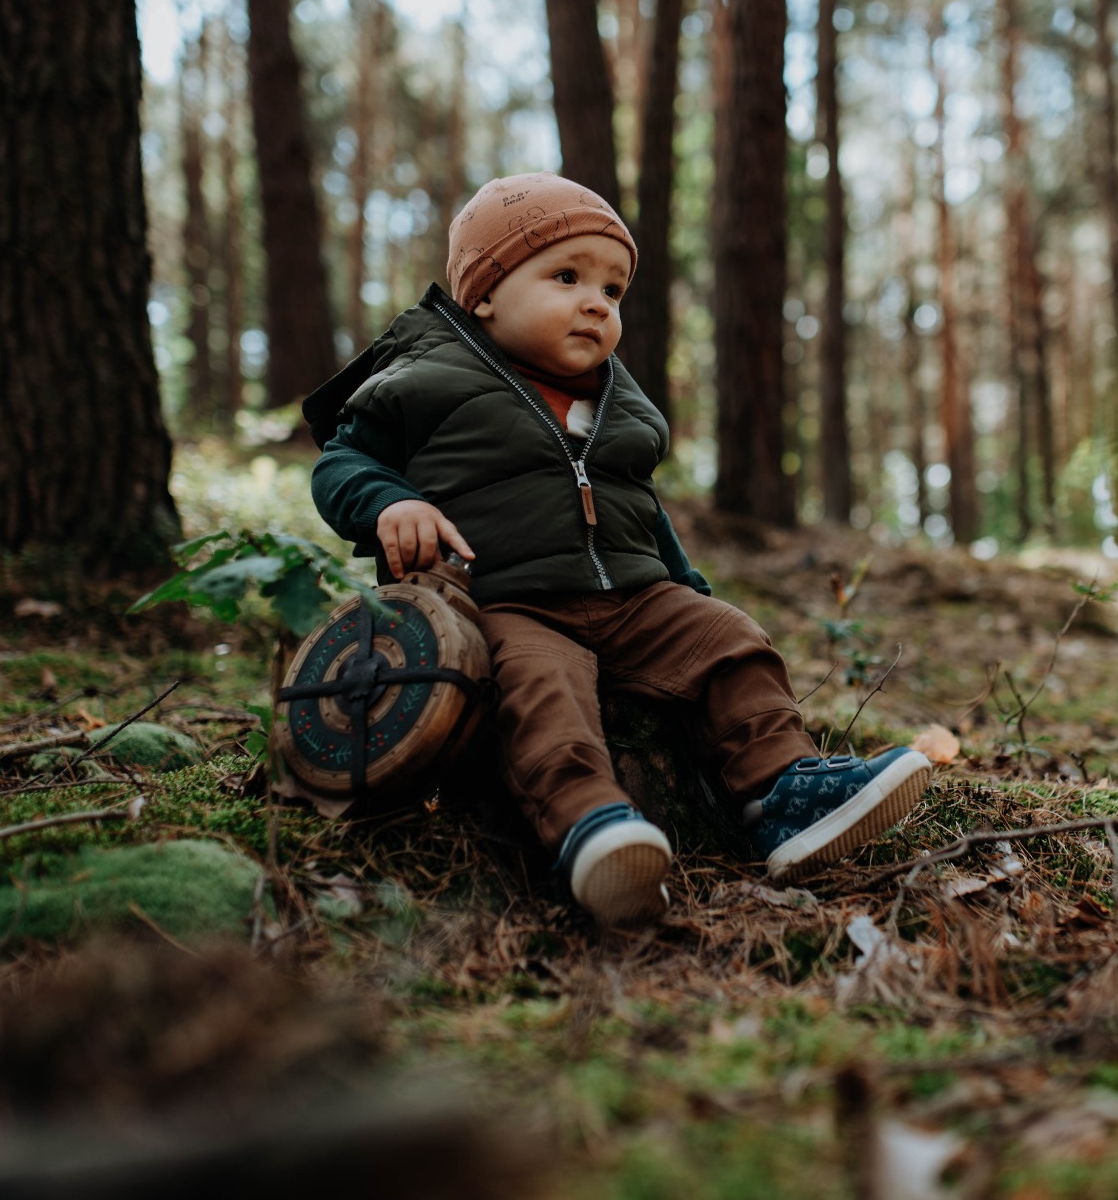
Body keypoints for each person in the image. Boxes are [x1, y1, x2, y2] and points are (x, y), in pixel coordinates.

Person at [306, 172, 930, 927]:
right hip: (505, 600)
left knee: (730, 638)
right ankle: (591, 828)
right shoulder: (424, 377)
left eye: (613, 288)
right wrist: (389, 502)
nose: (596, 302)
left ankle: (784, 792)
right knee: (540, 691)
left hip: (633, 596)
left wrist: (687, 586)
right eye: (565, 277)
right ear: (484, 294)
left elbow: (643, 510)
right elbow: (341, 463)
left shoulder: (615, 399)